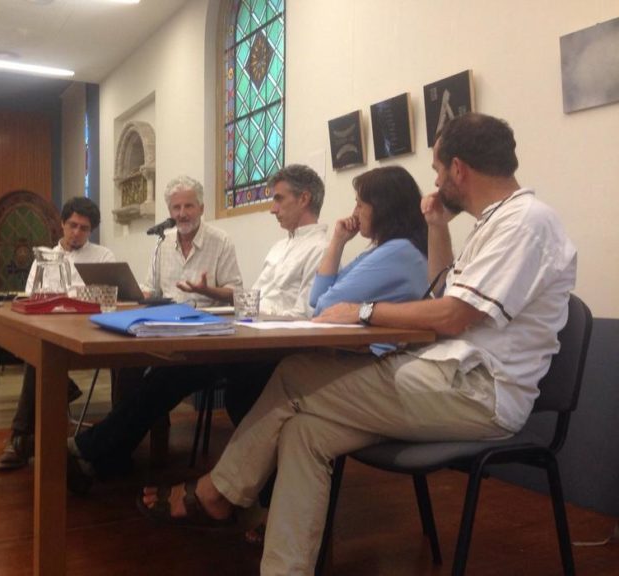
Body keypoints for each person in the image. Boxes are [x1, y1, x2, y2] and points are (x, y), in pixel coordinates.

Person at [139, 113, 577, 576]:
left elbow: (452, 317)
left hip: (480, 393)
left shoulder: (524, 222)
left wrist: (364, 311)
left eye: (437, 168)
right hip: (445, 380)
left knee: (293, 373)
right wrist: (438, 225)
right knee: (304, 432)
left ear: (459, 170)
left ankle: (216, 493)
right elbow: (444, 296)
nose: (434, 178)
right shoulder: (495, 223)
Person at [66, 165, 329, 490]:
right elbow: (250, 299)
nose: (272, 207)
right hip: (213, 330)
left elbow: (301, 312)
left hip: (247, 342)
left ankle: (93, 449)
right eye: (176, 207)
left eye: (278, 199)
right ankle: (108, 455)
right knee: (142, 372)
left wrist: (212, 295)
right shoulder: (279, 247)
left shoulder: (321, 248)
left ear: (304, 199)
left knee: (167, 377)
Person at [0, 197, 115, 470]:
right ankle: (23, 434)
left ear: (91, 230)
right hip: (50, 329)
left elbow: (106, 298)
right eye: (72, 225)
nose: (77, 232)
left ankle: (22, 439)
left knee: (39, 358)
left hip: (89, 330)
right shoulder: (43, 259)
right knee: (39, 351)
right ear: (62, 224)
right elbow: (30, 296)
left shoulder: (103, 256)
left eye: (84, 228)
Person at [141, 175, 242, 306]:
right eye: (176, 207)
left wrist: (208, 291)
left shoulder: (221, 241)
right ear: (170, 212)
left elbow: (237, 294)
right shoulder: (163, 242)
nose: (182, 214)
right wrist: (129, 294)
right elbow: (150, 290)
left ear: (201, 209)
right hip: (168, 321)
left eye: (188, 206)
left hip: (206, 321)